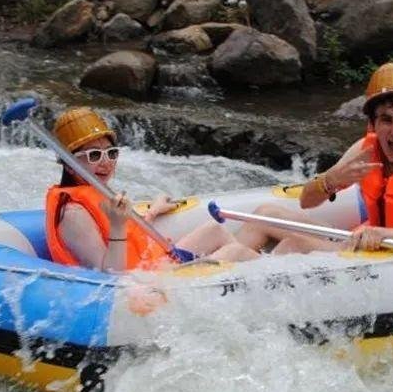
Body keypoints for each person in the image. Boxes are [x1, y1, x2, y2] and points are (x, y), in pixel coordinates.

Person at [236, 62, 393, 253]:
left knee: (294, 245)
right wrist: (329, 180)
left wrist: (389, 235)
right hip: (365, 244)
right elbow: (306, 202)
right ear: (373, 123)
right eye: (386, 119)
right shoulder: (364, 151)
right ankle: (216, 268)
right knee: (266, 212)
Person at [44, 108, 258, 272]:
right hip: (149, 283)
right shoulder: (73, 214)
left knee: (215, 229)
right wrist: (118, 225)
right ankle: (279, 274)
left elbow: (131, 237)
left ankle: (265, 274)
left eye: (111, 153)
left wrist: (152, 212)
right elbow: (111, 275)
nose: (106, 162)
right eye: (94, 155)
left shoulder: (95, 190)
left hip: (156, 262)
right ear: (70, 164)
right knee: (235, 252)